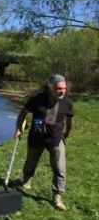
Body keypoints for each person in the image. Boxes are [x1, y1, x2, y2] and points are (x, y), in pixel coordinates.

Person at [15, 74, 74, 211]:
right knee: (31, 162)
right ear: (50, 87)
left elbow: (71, 118)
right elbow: (23, 113)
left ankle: (57, 196)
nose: (62, 91)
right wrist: (19, 128)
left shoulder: (67, 102)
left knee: (60, 168)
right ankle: (27, 180)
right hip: (36, 137)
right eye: (59, 88)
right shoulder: (37, 99)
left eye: (64, 88)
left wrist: (68, 132)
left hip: (55, 139)